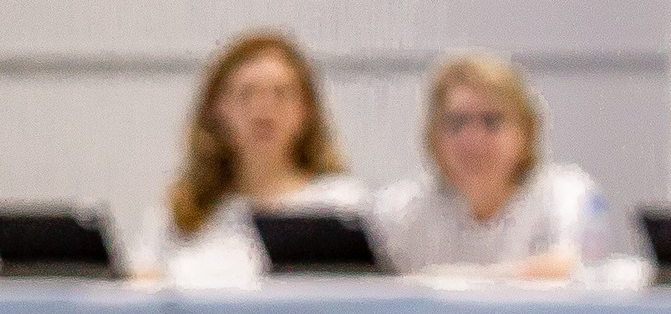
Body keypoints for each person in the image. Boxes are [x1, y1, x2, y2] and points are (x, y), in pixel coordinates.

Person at [136, 31, 368, 286]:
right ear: (216, 108)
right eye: (246, 94)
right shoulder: (182, 211)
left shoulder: (339, 205)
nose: (264, 109)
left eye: (281, 93)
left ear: (307, 109)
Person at [372, 51, 606, 279]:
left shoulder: (564, 194)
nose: (472, 139)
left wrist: (450, 281)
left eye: (491, 121)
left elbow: (567, 267)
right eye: (457, 123)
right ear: (433, 136)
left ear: (525, 130)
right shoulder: (403, 208)